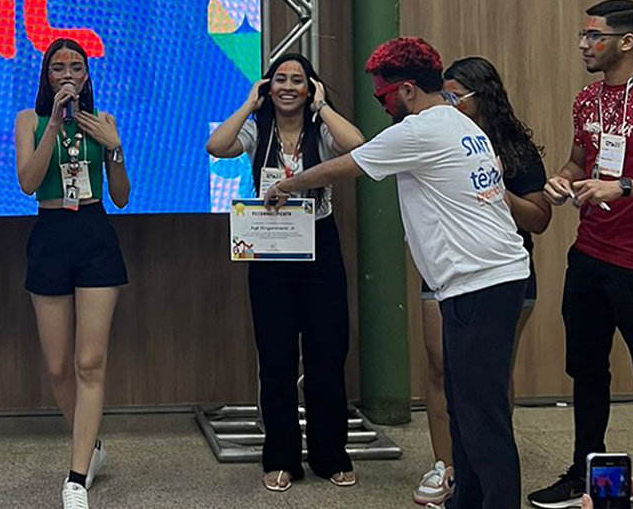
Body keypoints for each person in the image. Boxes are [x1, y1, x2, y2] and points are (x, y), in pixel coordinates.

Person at [264, 37, 529, 509]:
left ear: (407, 90)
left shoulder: (419, 130)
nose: (382, 105)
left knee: (482, 416)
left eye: (382, 95)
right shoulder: (457, 121)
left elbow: (346, 165)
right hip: (487, 278)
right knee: (465, 406)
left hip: (480, 281)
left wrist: (288, 184)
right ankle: (466, 501)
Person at [529, 0, 633, 509]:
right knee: (586, 371)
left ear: (626, 42)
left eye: (595, 36)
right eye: (583, 35)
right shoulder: (587, 99)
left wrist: (624, 186)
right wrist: (561, 180)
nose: (584, 45)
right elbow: (578, 159)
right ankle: (584, 472)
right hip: (589, 257)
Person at [206, 54, 365, 492]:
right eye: (280, 80)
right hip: (271, 250)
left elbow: (356, 145)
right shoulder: (259, 130)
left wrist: (323, 106)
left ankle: (330, 455)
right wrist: (248, 103)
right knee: (275, 360)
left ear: (310, 87)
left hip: (320, 247)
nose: (289, 87)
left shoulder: (321, 129)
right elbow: (216, 146)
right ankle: (281, 458)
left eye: (298, 80)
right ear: (267, 87)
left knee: (326, 355)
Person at [414, 57, 551, 506]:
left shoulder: (513, 147)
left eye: (456, 97)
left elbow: (539, 218)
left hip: (500, 273)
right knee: (442, 368)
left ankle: (489, 460)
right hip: (445, 270)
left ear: (481, 97)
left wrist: (494, 189)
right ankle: (448, 466)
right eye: (444, 95)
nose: (447, 103)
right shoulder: (434, 134)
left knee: (487, 379)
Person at [13, 38, 130, 509]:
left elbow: (121, 196)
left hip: (95, 235)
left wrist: (114, 148)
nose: (67, 74)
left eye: (76, 67)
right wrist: (55, 126)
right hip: (50, 235)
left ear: (87, 75)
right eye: (58, 67)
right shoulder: (29, 120)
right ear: (47, 76)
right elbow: (27, 182)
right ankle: (92, 445)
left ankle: (76, 477)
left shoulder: (103, 122)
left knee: (90, 363)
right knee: (59, 366)